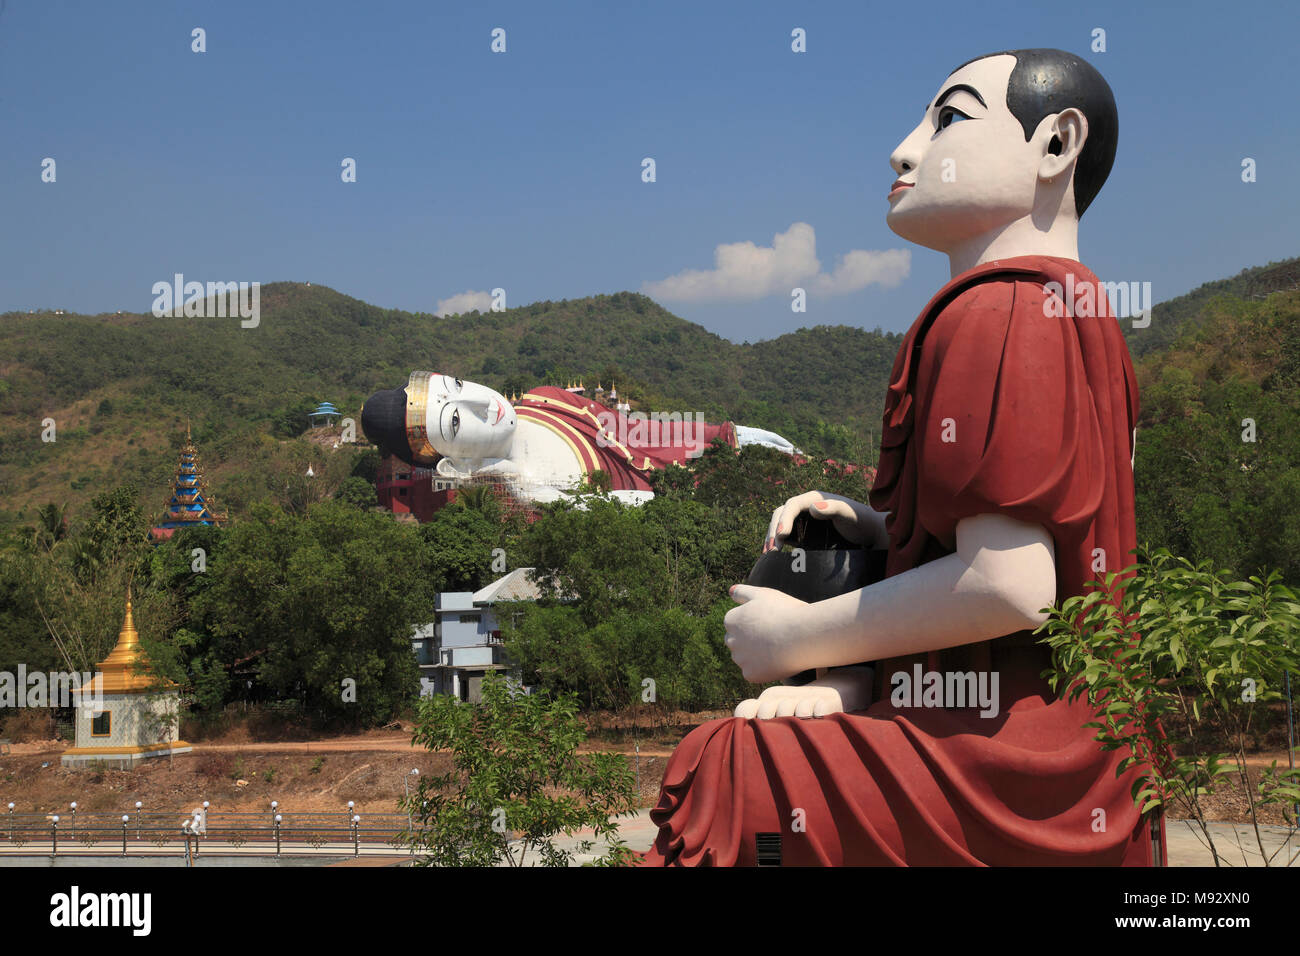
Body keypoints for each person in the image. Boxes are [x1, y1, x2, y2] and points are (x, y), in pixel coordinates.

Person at [645, 48, 1161, 866]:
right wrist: (885, 528)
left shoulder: (1002, 309)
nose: (904, 149)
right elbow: (1040, 548)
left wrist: (801, 638)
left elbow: (1011, 586)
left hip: (1009, 746)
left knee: (729, 771)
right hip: (1084, 733)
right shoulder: (1080, 309)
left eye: (948, 118)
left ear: (1056, 145)